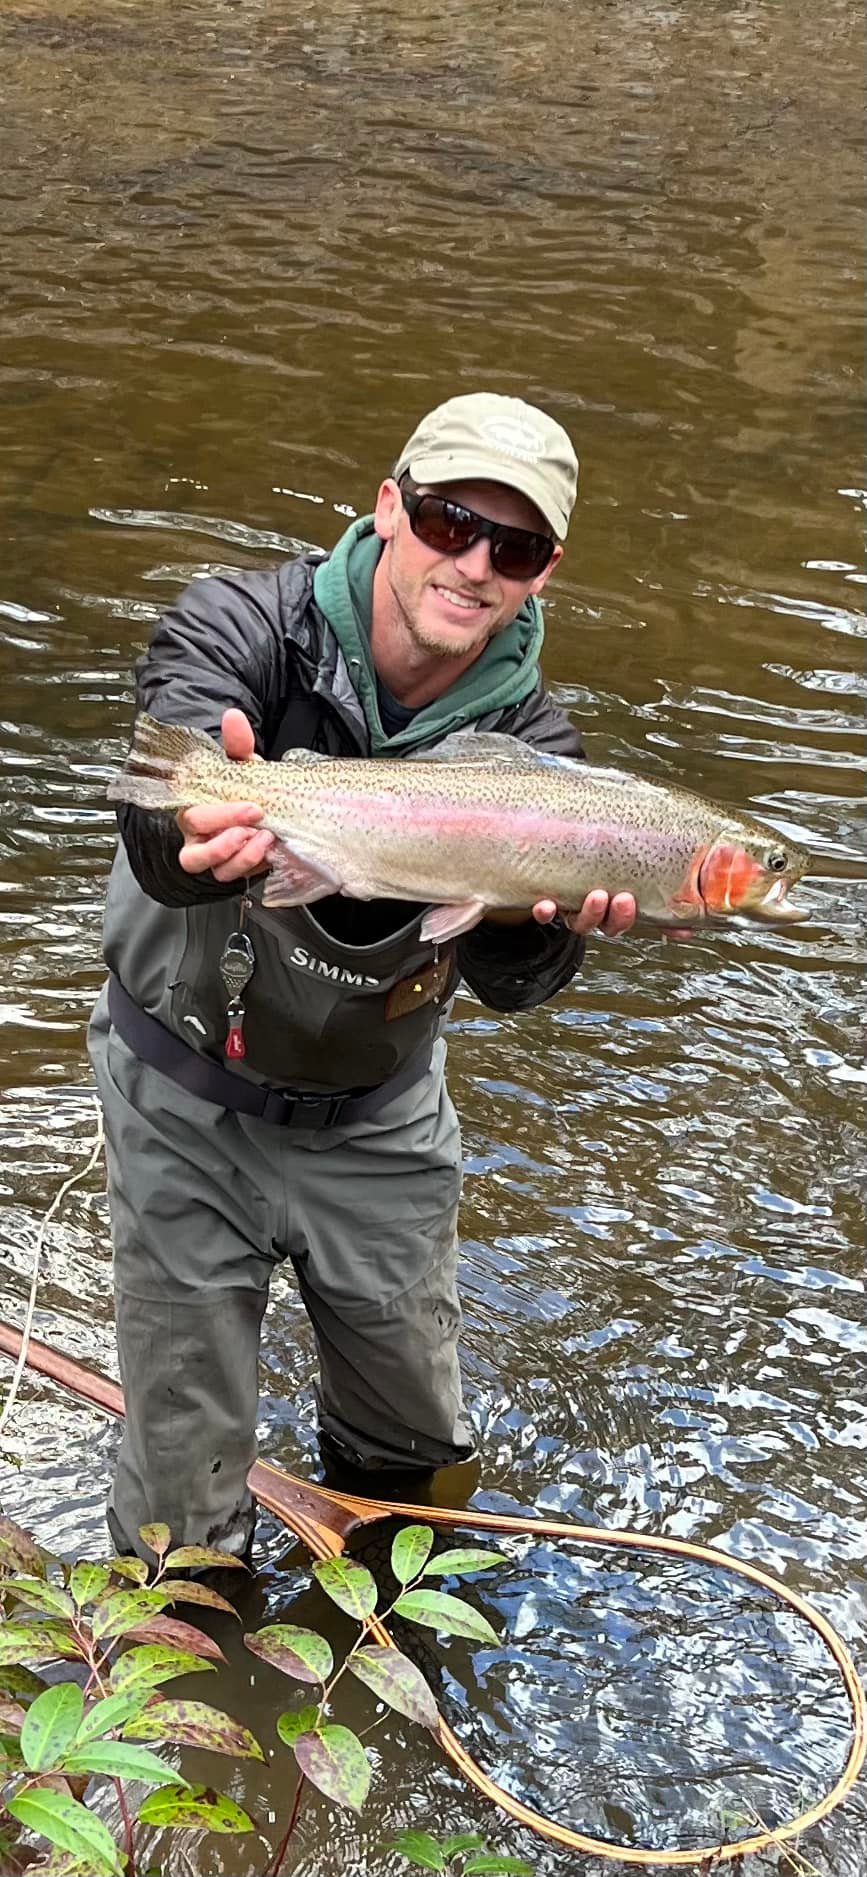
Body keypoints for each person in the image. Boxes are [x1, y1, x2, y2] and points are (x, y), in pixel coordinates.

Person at [88, 391, 638, 1562]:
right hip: (183, 1094)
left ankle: (408, 1664)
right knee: (176, 1503)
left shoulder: (542, 756)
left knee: (414, 1462)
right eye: (449, 521)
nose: (475, 564)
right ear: (389, 506)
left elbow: (520, 986)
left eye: (517, 546)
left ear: (545, 571)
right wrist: (193, 847)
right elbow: (157, 802)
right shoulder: (239, 625)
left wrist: (535, 924)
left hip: (378, 1118)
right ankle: (201, 1701)